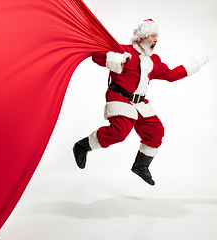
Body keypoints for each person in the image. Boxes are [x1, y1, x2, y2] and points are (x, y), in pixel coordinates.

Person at [72, 19, 209, 185]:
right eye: (153, 36)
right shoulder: (124, 50)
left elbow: (170, 75)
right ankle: (83, 146)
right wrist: (117, 58)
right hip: (120, 97)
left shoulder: (154, 61)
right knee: (119, 132)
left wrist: (193, 66)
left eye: (156, 36)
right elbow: (97, 56)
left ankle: (141, 166)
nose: (156, 40)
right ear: (142, 37)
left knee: (155, 130)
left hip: (139, 102)